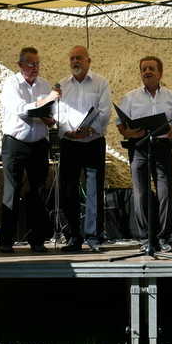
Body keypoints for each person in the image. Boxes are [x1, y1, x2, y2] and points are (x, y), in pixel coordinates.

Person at [117, 56, 172, 252]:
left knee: (164, 193)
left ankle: (164, 237)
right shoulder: (130, 97)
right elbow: (120, 125)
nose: (147, 72)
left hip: (161, 146)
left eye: (151, 69)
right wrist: (130, 133)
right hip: (139, 146)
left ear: (160, 73)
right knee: (141, 194)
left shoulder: (171, 96)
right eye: (144, 69)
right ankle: (145, 238)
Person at [0, 47, 59, 253]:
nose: (35, 68)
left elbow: (49, 114)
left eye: (37, 64)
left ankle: (37, 240)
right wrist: (46, 102)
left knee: (38, 192)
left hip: (39, 144)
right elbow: (23, 110)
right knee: (12, 192)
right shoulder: (11, 84)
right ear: (20, 65)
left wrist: (49, 117)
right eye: (31, 64)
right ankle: (6, 241)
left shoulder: (44, 84)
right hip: (16, 143)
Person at [55, 46, 113, 253]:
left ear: (89, 60)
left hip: (93, 142)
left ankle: (94, 236)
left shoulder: (101, 82)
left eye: (79, 58)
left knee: (94, 190)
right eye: (72, 58)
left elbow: (105, 111)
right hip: (69, 143)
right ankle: (73, 237)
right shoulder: (62, 84)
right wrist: (67, 131)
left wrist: (90, 130)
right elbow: (57, 112)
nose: (75, 62)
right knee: (68, 190)